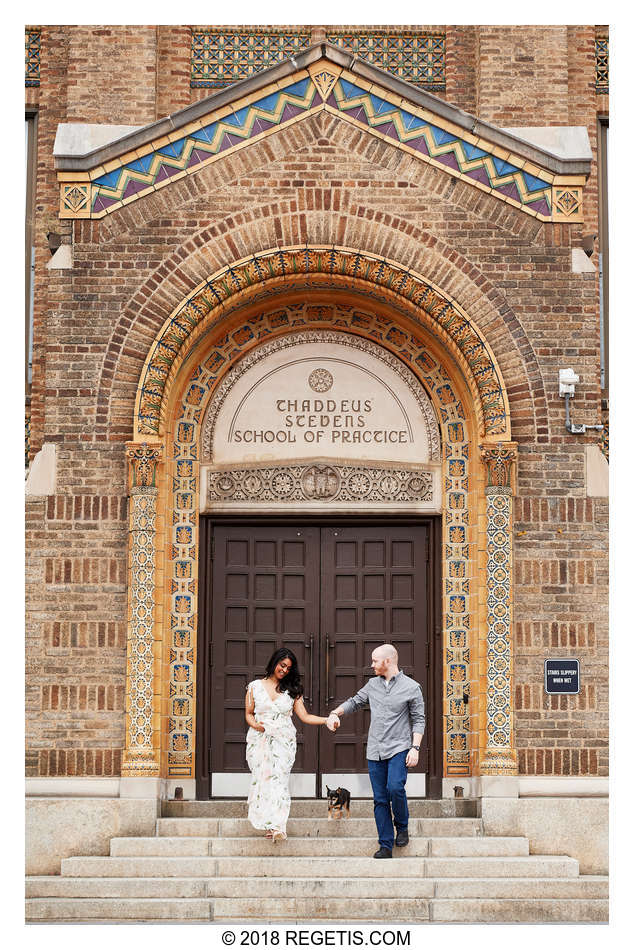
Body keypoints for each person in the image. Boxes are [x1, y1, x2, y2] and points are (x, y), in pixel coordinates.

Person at [325, 644, 425, 858]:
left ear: (387, 661)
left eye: (375, 661)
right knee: (380, 799)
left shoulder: (412, 687)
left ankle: (402, 826)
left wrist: (415, 748)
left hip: (400, 748)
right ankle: (386, 846)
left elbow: (418, 719)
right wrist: (335, 712)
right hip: (376, 750)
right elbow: (355, 702)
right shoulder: (372, 685)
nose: (371, 665)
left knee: (395, 787)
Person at [245, 647, 333, 842]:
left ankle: (278, 826)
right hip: (259, 740)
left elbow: (305, 716)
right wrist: (255, 725)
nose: (284, 670)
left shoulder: (292, 691)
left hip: (283, 742)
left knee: (279, 781)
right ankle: (269, 823)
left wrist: (326, 720)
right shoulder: (254, 687)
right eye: (282, 665)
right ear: (274, 662)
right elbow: (249, 713)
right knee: (263, 780)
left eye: (288, 668)